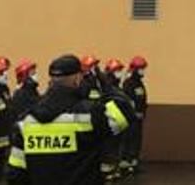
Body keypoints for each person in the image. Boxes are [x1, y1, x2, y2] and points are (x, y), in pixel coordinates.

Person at [8, 55, 130, 185]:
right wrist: (106, 84)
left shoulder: (26, 121)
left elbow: (16, 172)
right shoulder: (90, 115)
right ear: (77, 79)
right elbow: (125, 113)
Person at [97, 58, 136, 182]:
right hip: (111, 122)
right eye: (117, 70)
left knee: (117, 147)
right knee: (109, 148)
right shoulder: (108, 87)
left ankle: (113, 170)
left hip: (119, 122)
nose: (120, 72)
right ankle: (108, 172)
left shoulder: (115, 86)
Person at [118, 57, 148, 178]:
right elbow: (128, 100)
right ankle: (124, 166)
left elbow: (141, 100)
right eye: (141, 69)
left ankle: (133, 164)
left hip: (138, 119)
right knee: (128, 141)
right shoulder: (129, 83)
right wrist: (134, 113)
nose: (143, 71)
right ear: (135, 69)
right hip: (132, 119)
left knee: (136, 141)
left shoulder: (139, 83)